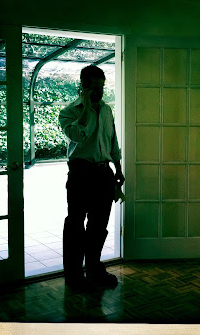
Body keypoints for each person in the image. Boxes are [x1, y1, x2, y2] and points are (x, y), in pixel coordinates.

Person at [59, 64, 125, 290]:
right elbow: (77, 135)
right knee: (76, 225)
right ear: (83, 86)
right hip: (81, 173)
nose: (99, 91)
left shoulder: (106, 110)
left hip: (104, 173)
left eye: (101, 86)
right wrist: (86, 107)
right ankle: (74, 277)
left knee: (99, 225)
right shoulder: (69, 112)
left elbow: (112, 140)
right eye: (94, 86)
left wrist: (118, 168)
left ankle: (95, 270)